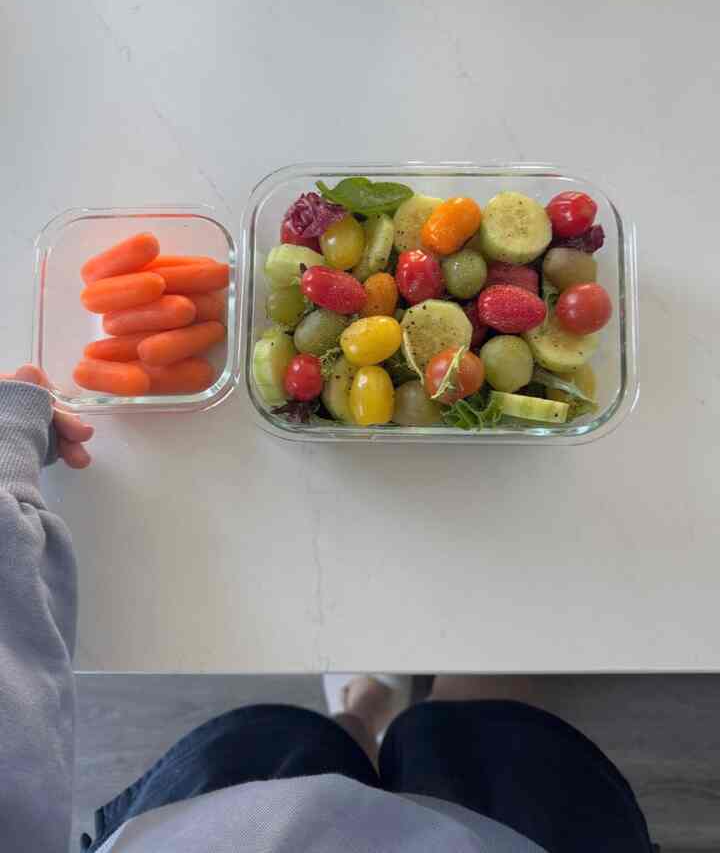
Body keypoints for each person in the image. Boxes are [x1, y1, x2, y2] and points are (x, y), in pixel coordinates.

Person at [0, 365, 654, 853]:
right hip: (512, 838)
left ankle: (364, 710)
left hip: (218, 829)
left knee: (289, 737)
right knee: (477, 733)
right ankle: (459, 683)